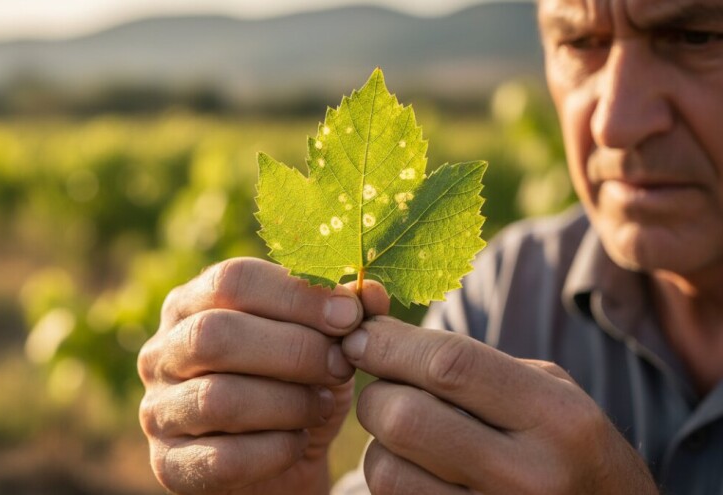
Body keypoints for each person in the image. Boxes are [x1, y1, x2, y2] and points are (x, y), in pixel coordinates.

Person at [137, 0, 723, 492]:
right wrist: (288, 481)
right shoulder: (504, 294)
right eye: (578, 42)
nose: (614, 123)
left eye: (697, 37)